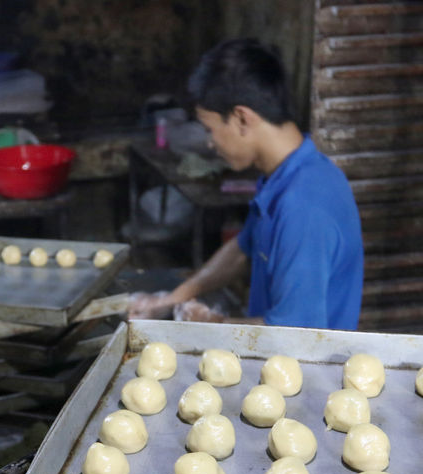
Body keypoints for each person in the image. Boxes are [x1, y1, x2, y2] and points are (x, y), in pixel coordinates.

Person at [130, 38, 363, 329]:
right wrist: (170, 300)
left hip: (304, 369)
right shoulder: (283, 175)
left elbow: (295, 334)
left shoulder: (304, 206)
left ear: (241, 118)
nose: (210, 143)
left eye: (209, 129)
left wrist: (213, 326)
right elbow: (243, 248)